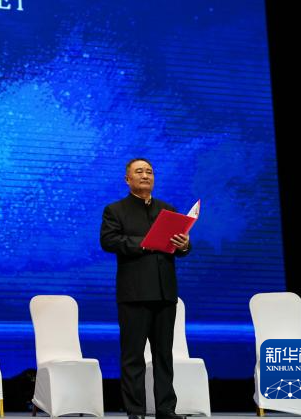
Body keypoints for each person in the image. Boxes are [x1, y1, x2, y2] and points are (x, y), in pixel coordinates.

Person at [100, 158, 191, 419]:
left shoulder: (168, 210)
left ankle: (166, 409)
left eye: (149, 172)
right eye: (139, 171)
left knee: (164, 356)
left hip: (165, 293)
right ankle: (136, 410)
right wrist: (146, 242)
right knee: (133, 356)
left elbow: (181, 249)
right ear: (127, 179)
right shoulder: (115, 210)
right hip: (134, 294)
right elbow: (108, 241)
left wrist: (184, 244)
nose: (145, 175)